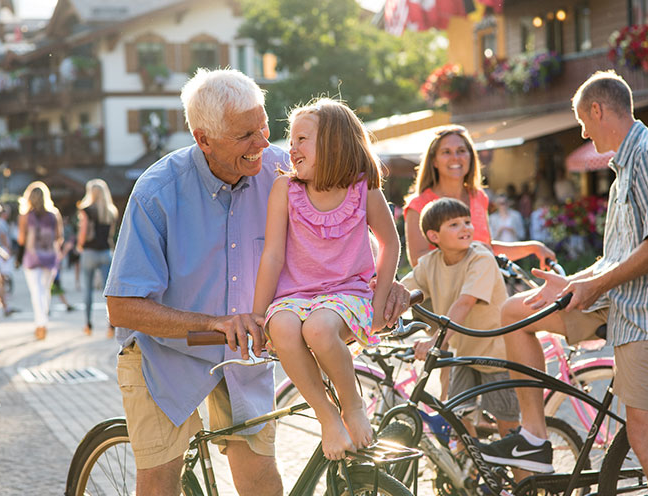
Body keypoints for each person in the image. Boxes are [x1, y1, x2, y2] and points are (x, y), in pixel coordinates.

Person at [103, 68, 416, 496]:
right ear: (203, 140)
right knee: (160, 483)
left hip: (243, 354)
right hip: (166, 356)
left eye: (264, 126)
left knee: (261, 483)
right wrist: (213, 322)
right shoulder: (157, 192)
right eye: (246, 135)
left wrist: (385, 283)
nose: (265, 144)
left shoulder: (284, 172)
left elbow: (347, 222)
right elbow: (122, 307)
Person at [481, 71, 648, 493]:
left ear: (598, 110)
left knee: (645, 440)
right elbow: (617, 257)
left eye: (582, 120)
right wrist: (572, 285)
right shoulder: (627, 164)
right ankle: (534, 439)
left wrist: (593, 287)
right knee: (515, 311)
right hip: (622, 302)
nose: (582, 131)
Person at [252, 99, 400, 460]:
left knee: (318, 329)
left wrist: (379, 302)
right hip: (295, 294)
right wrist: (258, 315)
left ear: (334, 143)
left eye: (302, 138)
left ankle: (352, 406)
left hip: (346, 292)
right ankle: (327, 416)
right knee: (284, 327)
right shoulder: (285, 190)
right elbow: (272, 254)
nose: (292, 147)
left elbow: (390, 243)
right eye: (292, 139)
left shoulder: (363, 189)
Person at [400, 197, 519, 442]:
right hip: (464, 353)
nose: (465, 228)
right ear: (434, 236)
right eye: (454, 224)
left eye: (467, 221)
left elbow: (464, 303)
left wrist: (435, 342)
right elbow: (402, 292)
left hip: (495, 352)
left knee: (506, 423)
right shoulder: (430, 263)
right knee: (458, 417)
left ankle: (519, 476)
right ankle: (472, 473)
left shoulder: (480, 258)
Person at [403, 126, 554, 268]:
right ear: (434, 161)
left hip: (485, 287)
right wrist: (469, 258)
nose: (455, 157)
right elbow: (418, 261)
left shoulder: (478, 196)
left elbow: (486, 248)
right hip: (448, 292)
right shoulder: (419, 204)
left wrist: (534, 247)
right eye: (446, 152)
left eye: (461, 150)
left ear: (471, 156)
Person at [17, 181, 63, 340]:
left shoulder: (25, 217)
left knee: (36, 292)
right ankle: (43, 321)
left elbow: (21, 240)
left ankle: (40, 323)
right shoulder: (53, 215)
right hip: (49, 256)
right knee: (45, 291)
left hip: (31, 257)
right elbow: (59, 237)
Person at [76, 178, 118, 337]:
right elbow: (111, 234)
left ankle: (88, 324)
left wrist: (79, 245)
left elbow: (83, 231)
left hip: (89, 252)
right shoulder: (111, 211)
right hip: (106, 252)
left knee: (87, 290)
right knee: (109, 293)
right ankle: (111, 326)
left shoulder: (86, 210)